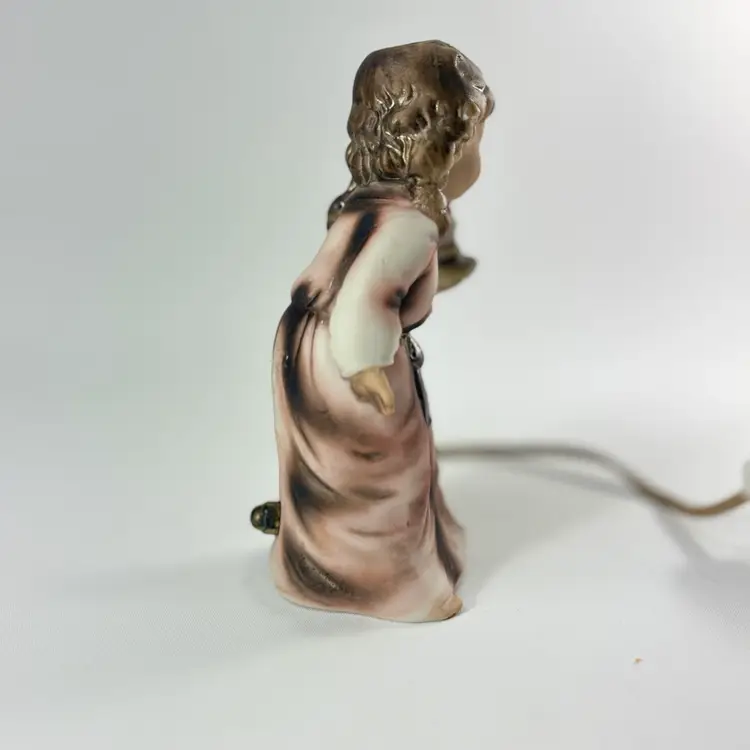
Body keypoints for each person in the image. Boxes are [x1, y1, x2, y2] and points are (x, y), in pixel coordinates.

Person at [261, 40, 494, 622]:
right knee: (386, 471)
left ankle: (312, 560)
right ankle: (402, 588)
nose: (479, 161)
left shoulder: (362, 204)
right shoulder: (411, 226)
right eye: (475, 144)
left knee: (326, 469)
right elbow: (365, 296)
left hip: (303, 344)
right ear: (442, 146)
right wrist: (365, 365)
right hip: (352, 353)